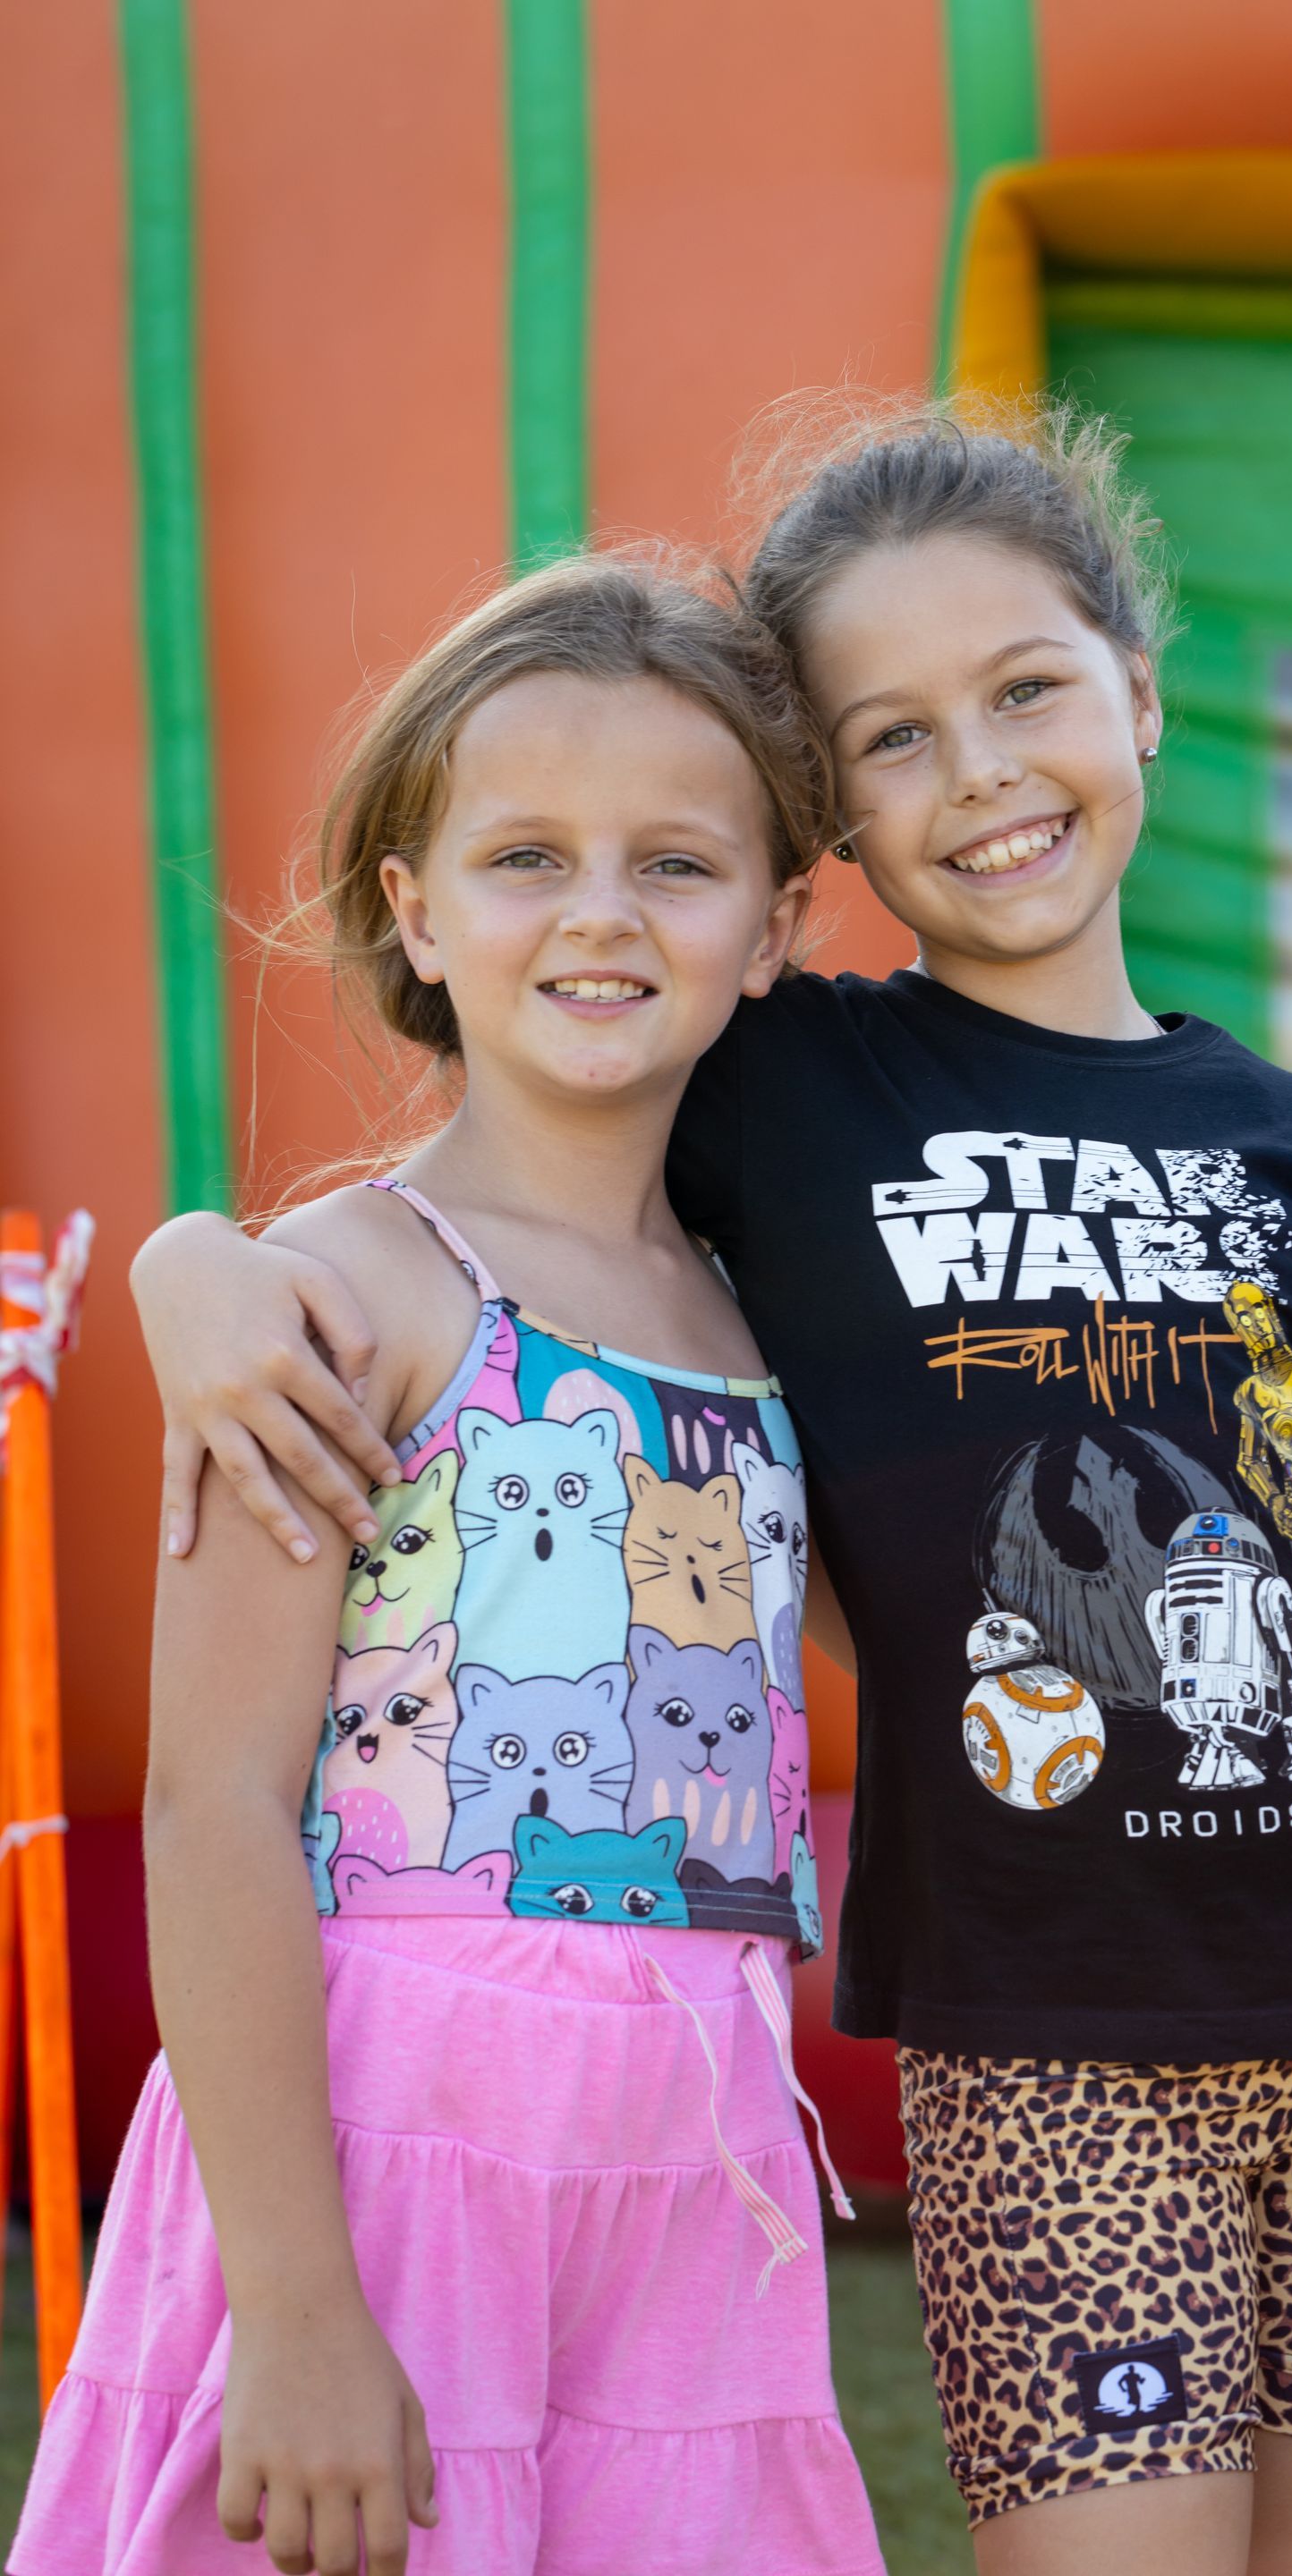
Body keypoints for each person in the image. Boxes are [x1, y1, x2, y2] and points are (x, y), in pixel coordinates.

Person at [131, 400, 1292, 2576]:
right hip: (1040, 2053)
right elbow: (507, 1122)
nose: (980, 772)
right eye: (896, 735)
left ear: (1141, 694)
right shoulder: (782, 1082)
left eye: (1030, 691)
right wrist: (187, 1260)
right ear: (829, 845)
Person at [13, 556, 884, 2576]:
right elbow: (217, 1805)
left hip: (689, 2175)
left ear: (776, 928)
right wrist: (302, 2314)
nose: (599, 910)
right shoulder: (343, 1297)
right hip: (384, 2167)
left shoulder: (766, 1321)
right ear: (415, 908)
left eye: (676, 861)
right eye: (523, 856)